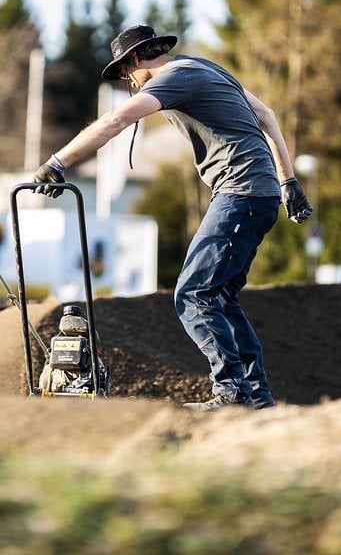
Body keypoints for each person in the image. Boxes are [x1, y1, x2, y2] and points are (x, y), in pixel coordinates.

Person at [33, 24, 313, 411]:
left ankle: (232, 394)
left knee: (193, 294)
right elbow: (266, 114)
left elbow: (116, 121)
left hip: (240, 191)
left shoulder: (174, 78)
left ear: (135, 59)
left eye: (126, 73)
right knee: (221, 297)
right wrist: (288, 180)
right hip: (260, 193)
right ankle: (257, 396)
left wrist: (57, 162)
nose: (131, 82)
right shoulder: (205, 67)